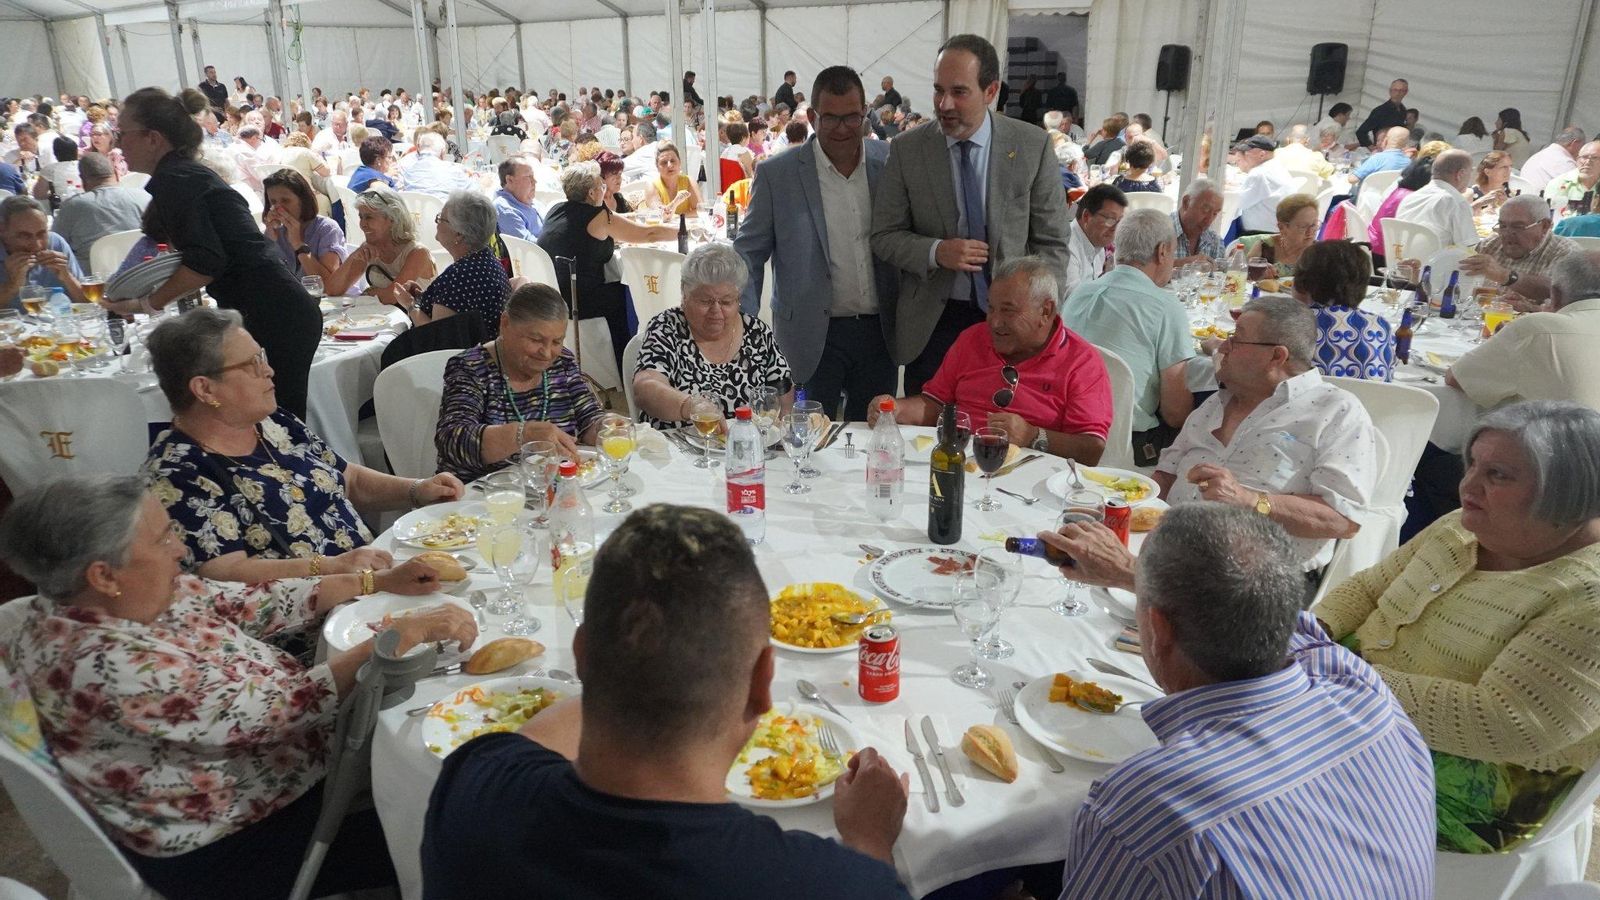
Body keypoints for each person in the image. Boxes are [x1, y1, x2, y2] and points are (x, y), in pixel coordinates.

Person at [0, 474, 475, 900]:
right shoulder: (100, 663)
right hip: (236, 837)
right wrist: (396, 636)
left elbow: (256, 602)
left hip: (289, 763)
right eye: (163, 539)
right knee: (456, 829)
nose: (180, 549)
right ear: (104, 575)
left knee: (442, 758)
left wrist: (375, 580)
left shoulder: (128, 597)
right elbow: (282, 711)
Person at [421, 503, 911, 898]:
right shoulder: (832, 884)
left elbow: (529, 740)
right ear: (764, 681)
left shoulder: (473, 784)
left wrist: (620, 666)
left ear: (581, 655)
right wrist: (870, 839)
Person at [1038, 504, 1434, 898]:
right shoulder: (1359, 684)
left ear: (1158, 629)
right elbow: (1282, 621)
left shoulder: (1147, 803)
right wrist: (1132, 573)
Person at [1314, 401, 1600, 854]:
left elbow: (1504, 722)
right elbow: (1368, 588)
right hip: (1354, 699)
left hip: (1463, 784)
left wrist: (1331, 676)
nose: (1467, 484)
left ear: (1569, 493)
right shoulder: (1463, 527)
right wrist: (1311, 632)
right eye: (1472, 465)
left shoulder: (1588, 597)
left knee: (1236, 784)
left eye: (1498, 475)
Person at [143, 308, 462, 582]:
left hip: (373, 576)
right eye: (252, 364)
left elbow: (348, 479)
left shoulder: (273, 423)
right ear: (205, 389)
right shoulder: (177, 473)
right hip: (311, 613)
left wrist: (417, 489)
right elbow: (225, 573)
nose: (268, 370)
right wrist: (332, 567)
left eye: (262, 357)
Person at [872, 34, 1071, 397]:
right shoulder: (907, 150)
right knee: (930, 422)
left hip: (1012, 322)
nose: (944, 104)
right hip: (934, 324)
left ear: (990, 90)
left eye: (959, 92)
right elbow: (884, 236)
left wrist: (1042, 311)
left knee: (1000, 422)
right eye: (938, 90)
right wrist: (936, 251)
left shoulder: (1031, 145)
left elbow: (1052, 242)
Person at [101, 88, 320, 418]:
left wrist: (146, 303)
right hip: (275, 306)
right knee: (269, 423)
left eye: (122, 133)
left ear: (153, 138)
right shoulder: (185, 173)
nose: (118, 143)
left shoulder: (175, 178)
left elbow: (204, 262)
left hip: (275, 312)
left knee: (277, 425)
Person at [1161, 296, 1377, 577]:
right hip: (1168, 555)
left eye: (1236, 339)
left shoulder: (1335, 411)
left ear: (1277, 356)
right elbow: (1166, 473)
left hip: (1258, 578)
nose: (1223, 347)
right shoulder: (1216, 403)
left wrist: (1250, 501)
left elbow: (1344, 518)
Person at [734, 65, 898, 422]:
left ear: (864, 113)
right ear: (812, 117)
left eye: (851, 118)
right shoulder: (777, 174)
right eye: (831, 118)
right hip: (808, 335)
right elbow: (748, 253)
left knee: (873, 436)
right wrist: (744, 326)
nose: (842, 128)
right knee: (805, 437)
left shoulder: (889, 162)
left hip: (879, 333)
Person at [867, 257, 1111, 462]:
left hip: (1036, 481)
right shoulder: (972, 339)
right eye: (991, 308)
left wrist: (1033, 435)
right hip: (962, 464)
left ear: (1045, 311)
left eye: (1008, 310)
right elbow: (935, 405)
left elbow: (1091, 449)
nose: (994, 322)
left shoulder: (1082, 362)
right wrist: (896, 410)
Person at [434, 283, 607, 481]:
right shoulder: (471, 368)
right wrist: (524, 434)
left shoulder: (562, 362)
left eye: (556, 342)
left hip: (551, 486)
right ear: (505, 323)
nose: (547, 353)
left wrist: (605, 427)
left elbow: (588, 418)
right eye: (536, 340)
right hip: (484, 491)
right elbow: (453, 440)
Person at [1061, 209, 1193, 465]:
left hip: (1068, 433)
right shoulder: (1165, 306)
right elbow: (1175, 412)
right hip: (1127, 445)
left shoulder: (1080, 293)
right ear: (1162, 251)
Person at [633, 243, 791, 429]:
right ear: (684, 294)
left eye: (726, 302)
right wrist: (691, 407)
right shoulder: (667, 328)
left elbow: (783, 396)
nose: (716, 310)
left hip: (745, 443)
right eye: (705, 301)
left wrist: (783, 428)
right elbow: (644, 388)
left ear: (738, 299)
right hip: (675, 444)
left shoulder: (758, 333)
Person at [538, 161, 677, 373]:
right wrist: (682, 231)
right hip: (578, 298)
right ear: (592, 193)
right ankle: (630, 364)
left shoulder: (556, 209)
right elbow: (648, 234)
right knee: (628, 294)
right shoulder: (597, 216)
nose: (604, 189)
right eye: (601, 186)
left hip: (552, 292)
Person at [1446, 250, 1600, 410]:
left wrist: (1509, 341)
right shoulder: (1540, 328)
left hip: (1554, 427)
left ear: (1555, 293)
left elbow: (1457, 379)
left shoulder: (1537, 329)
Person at [390, 190, 510, 336]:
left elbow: (437, 335)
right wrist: (423, 298)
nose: (437, 223)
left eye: (441, 219)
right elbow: (460, 307)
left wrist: (410, 305)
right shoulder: (489, 262)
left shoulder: (458, 277)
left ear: (458, 234)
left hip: (454, 350)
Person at [1290, 240, 1393, 381]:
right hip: (1368, 396)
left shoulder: (1292, 326)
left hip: (1313, 396)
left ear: (1304, 283)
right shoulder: (1381, 325)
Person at [1458, 194, 1582, 309]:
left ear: (1545, 226)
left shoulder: (1566, 253)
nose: (1507, 233)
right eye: (1503, 226)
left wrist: (1506, 276)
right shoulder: (1490, 245)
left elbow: (1560, 292)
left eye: (1518, 227)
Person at [323, 189, 434, 304]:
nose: (363, 224)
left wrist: (368, 293)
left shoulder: (418, 253)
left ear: (392, 219)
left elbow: (393, 296)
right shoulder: (368, 249)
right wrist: (353, 256)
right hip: (383, 313)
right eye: (361, 217)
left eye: (369, 217)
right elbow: (332, 290)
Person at [49, 151, 147, 265]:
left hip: (91, 274)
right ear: (116, 173)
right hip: (140, 269)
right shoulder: (144, 197)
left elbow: (55, 245)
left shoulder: (72, 206)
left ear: (83, 180)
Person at [261, 168, 347, 283]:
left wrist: (298, 244)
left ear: (302, 200)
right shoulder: (276, 232)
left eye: (285, 201)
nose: (279, 208)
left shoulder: (326, 229)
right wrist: (268, 242)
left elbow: (328, 283)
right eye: (273, 202)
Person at [1, 194, 86, 310]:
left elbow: (89, 304)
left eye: (41, 234)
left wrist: (67, 277)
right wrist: (12, 286)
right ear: (2, 231)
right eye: (24, 236)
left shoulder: (56, 243)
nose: (37, 245)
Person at [1395, 149, 1478, 248]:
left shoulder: (1410, 197)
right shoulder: (1455, 201)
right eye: (1471, 171)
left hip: (1403, 256)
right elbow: (1469, 246)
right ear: (1460, 174)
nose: (1471, 177)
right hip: (1437, 257)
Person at [1062, 183, 1126, 296]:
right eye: (1110, 219)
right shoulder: (1066, 248)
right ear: (1086, 216)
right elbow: (1075, 299)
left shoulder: (1096, 241)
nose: (1116, 228)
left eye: (1120, 221)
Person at [1234, 193, 1321, 276]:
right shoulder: (1264, 247)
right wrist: (1257, 274)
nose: (1310, 232)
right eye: (1303, 226)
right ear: (1282, 227)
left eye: (1314, 225)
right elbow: (1241, 278)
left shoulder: (1321, 253)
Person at [1233, 135, 1297, 234]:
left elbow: (1237, 203)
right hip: (1280, 229)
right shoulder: (1276, 167)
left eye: (1246, 152)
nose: (1244, 155)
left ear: (1262, 155)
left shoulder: (1259, 174)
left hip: (1261, 234)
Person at [399, 132, 474, 199]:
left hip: (416, 210)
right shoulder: (453, 171)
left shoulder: (408, 172)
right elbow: (475, 193)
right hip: (444, 210)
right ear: (442, 152)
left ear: (419, 148)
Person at [1171, 177, 1225, 266]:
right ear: (1186, 202)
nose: (1209, 220)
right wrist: (1182, 264)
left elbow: (1220, 272)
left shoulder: (1215, 241)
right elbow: (1146, 271)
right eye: (1205, 210)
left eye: (1215, 213)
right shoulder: (1158, 232)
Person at [1543, 139, 1600, 218]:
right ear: (1577, 160)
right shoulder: (1558, 183)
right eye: (1584, 157)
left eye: (1594, 158)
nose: (1587, 162)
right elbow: (1550, 216)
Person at [493, 154, 543, 241]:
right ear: (510, 180)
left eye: (533, 176)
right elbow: (528, 245)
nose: (534, 181)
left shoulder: (532, 202)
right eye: (528, 176)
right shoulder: (506, 210)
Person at [1520, 127, 1585, 193]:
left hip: (1522, 196)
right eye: (1583, 146)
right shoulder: (1565, 162)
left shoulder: (1537, 156)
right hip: (1542, 198)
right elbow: (1579, 190)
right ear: (1574, 143)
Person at [647, 141, 700, 215]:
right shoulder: (652, 186)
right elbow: (661, 215)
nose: (669, 165)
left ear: (680, 162)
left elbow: (700, 210)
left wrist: (680, 218)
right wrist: (675, 202)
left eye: (673, 161)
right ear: (657, 167)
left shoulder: (689, 181)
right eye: (664, 162)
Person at [1356, 78, 1411, 147]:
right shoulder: (1380, 111)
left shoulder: (1403, 110)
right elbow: (1361, 132)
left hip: (1398, 148)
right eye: (1395, 90)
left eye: (1401, 90)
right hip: (1382, 148)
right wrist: (1371, 147)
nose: (1398, 93)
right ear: (1390, 91)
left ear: (1406, 92)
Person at [32, 136, 82, 208]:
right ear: (76, 151)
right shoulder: (85, 165)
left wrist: (52, 195)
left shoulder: (50, 169)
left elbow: (39, 194)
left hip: (63, 207)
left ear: (55, 153)